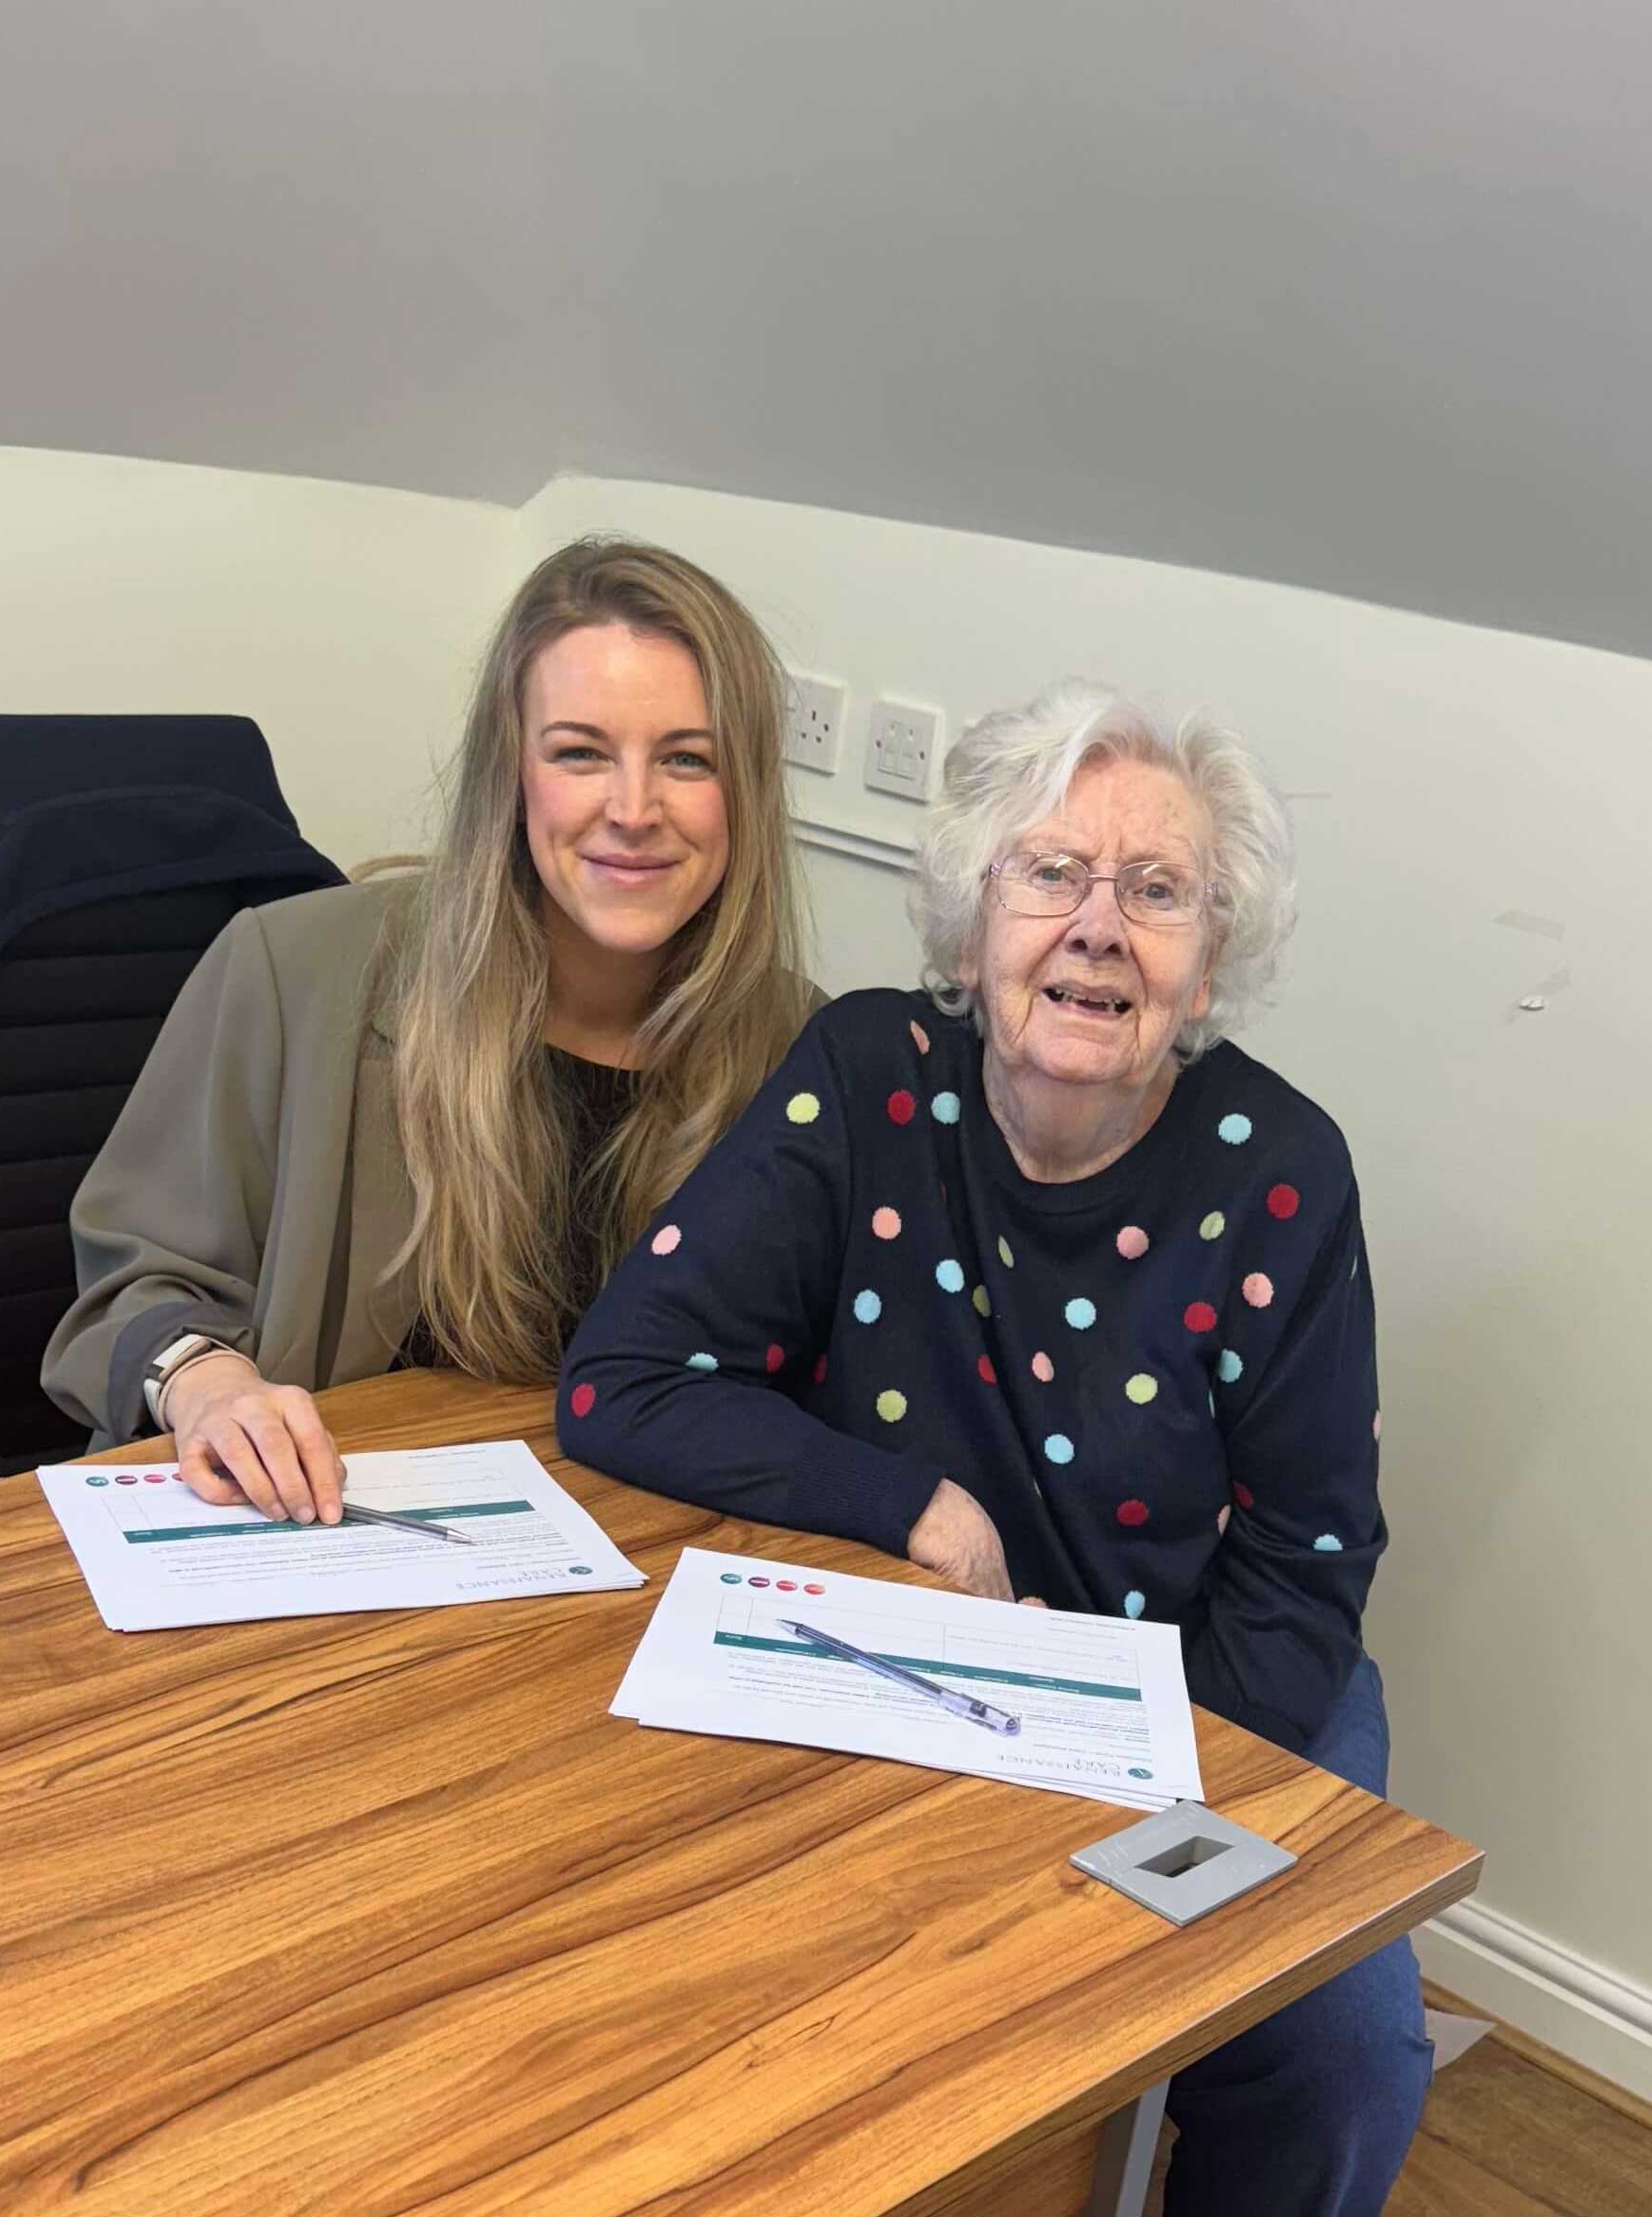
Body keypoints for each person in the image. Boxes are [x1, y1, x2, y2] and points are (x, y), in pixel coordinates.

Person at [558, 679, 1429, 2216]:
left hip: (1217, 1678)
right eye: (1049, 874)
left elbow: (1304, 1572)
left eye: (1156, 892)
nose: (1096, 926)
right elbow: (626, 1378)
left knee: (1337, 2046)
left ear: (1210, 963)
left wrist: (1102, 1728)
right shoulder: (864, 1073)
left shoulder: (1279, 1172)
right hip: (917, 1661)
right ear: (970, 927)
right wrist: (916, 1503)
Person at [43, 537, 815, 1526]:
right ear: (511, 775)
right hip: (330, 1536)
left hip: (640, 1557)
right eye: (580, 752)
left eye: (686, 759)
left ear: (743, 790)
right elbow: (132, 1283)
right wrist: (209, 1386)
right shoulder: (295, 971)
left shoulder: (799, 1047)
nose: (634, 809)